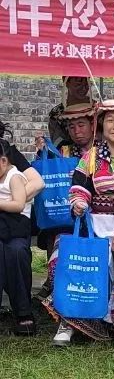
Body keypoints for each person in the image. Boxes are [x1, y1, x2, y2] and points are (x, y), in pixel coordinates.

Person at [42, 99, 114, 349]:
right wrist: (78, 202)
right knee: (63, 254)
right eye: (110, 120)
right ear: (102, 125)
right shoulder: (91, 157)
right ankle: (70, 320)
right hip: (94, 224)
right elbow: (79, 187)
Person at [34, 102, 97, 300]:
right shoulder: (63, 151)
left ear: (93, 125)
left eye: (81, 125)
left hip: (98, 215)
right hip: (68, 215)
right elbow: (49, 175)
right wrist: (42, 153)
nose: (76, 131)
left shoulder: (104, 150)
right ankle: (57, 289)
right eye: (71, 127)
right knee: (55, 232)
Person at [0, 138, 35, 336]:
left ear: (4, 161)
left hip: (15, 226)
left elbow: (19, 204)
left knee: (16, 251)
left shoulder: (14, 176)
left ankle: (23, 311)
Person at [46, 77, 94, 148]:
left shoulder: (97, 109)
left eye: (87, 84)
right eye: (78, 84)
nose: (84, 88)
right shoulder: (57, 113)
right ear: (66, 81)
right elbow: (58, 144)